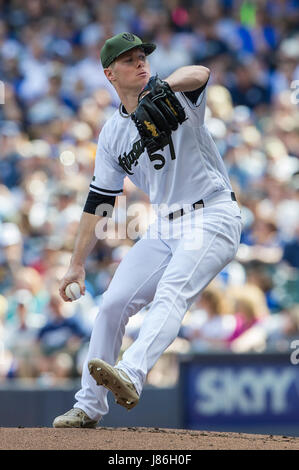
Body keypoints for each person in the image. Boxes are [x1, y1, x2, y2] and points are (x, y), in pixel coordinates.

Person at [53, 32, 242, 428]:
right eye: (129, 60)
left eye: (143, 56)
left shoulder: (175, 94)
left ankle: (132, 373)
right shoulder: (111, 134)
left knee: (173, 290)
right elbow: (100, 202)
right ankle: (88, 406)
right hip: (165, 225)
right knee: (111, 305)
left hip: (213, 214)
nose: (140, 62)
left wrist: (166, 85)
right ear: (110, 73)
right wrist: (76, 264)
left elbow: (202, 72)